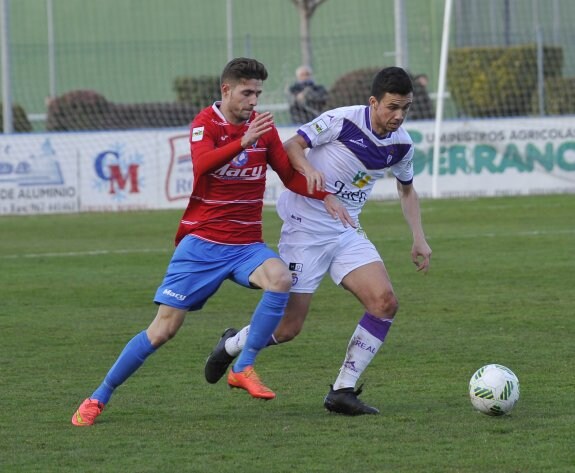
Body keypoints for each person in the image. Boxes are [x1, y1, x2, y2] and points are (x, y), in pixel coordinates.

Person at [71, 57, 352, 427]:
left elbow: (288, 176)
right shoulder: (206, 124)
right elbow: (202, 165)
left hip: (247, 245)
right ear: (227, 90)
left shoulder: (262, 129)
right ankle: (98, 397)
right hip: (202, 245)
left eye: (258, 93)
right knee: (163, 330)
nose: (253, 101)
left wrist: (324, 194)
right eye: (247, 93)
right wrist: (243, 141)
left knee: (281, 279)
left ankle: (244, 365)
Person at [205, 66, 432, 416]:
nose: (399, 116)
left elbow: (407, 190)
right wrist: (309, 171)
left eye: (406, 108)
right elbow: (292, 145)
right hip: (305, 228)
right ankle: (233, 343)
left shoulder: (402, 145)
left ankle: (342, 390)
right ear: (373, 102)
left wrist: (419, 238)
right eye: (392, 107)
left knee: (384, 302)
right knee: (289, 327)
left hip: (346, 230)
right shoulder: (342, 121)